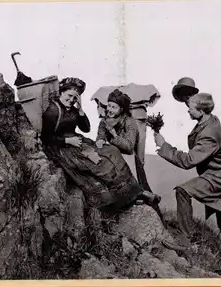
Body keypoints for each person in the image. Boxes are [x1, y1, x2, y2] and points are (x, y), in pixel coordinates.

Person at [40, 77, 159, 214]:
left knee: (111, 151)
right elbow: (45, 137)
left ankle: (133, 192)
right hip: (62, 148)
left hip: (78, 142)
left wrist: (80, 110)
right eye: (69, 96)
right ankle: (124, 198)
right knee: (99, 163)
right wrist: (67, 141)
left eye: (75, 98)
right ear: (61, 93)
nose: (72, 100)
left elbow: (86, 128)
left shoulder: (73, 109)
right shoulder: (53, 110)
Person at [154, 92, 221, 275]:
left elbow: (188, 161)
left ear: (201, 110)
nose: (187, 110)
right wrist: (188, 94)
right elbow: (197, 103)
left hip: (219, 178)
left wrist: (164, 146)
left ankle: (186, 240)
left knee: (182, 191)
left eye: (190, 108)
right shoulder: (209, 119)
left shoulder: (209, 133)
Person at [96, 89, 161, 206]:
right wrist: (100, 141)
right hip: (112, 156)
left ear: (121, 109)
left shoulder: (129, 122)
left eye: (114, 107)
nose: (109, 110)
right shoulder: (104, 121)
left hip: (128, 158)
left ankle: (140, 194)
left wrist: (113, 134)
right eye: (109, 106)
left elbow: (129, 147)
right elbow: (100, 137)